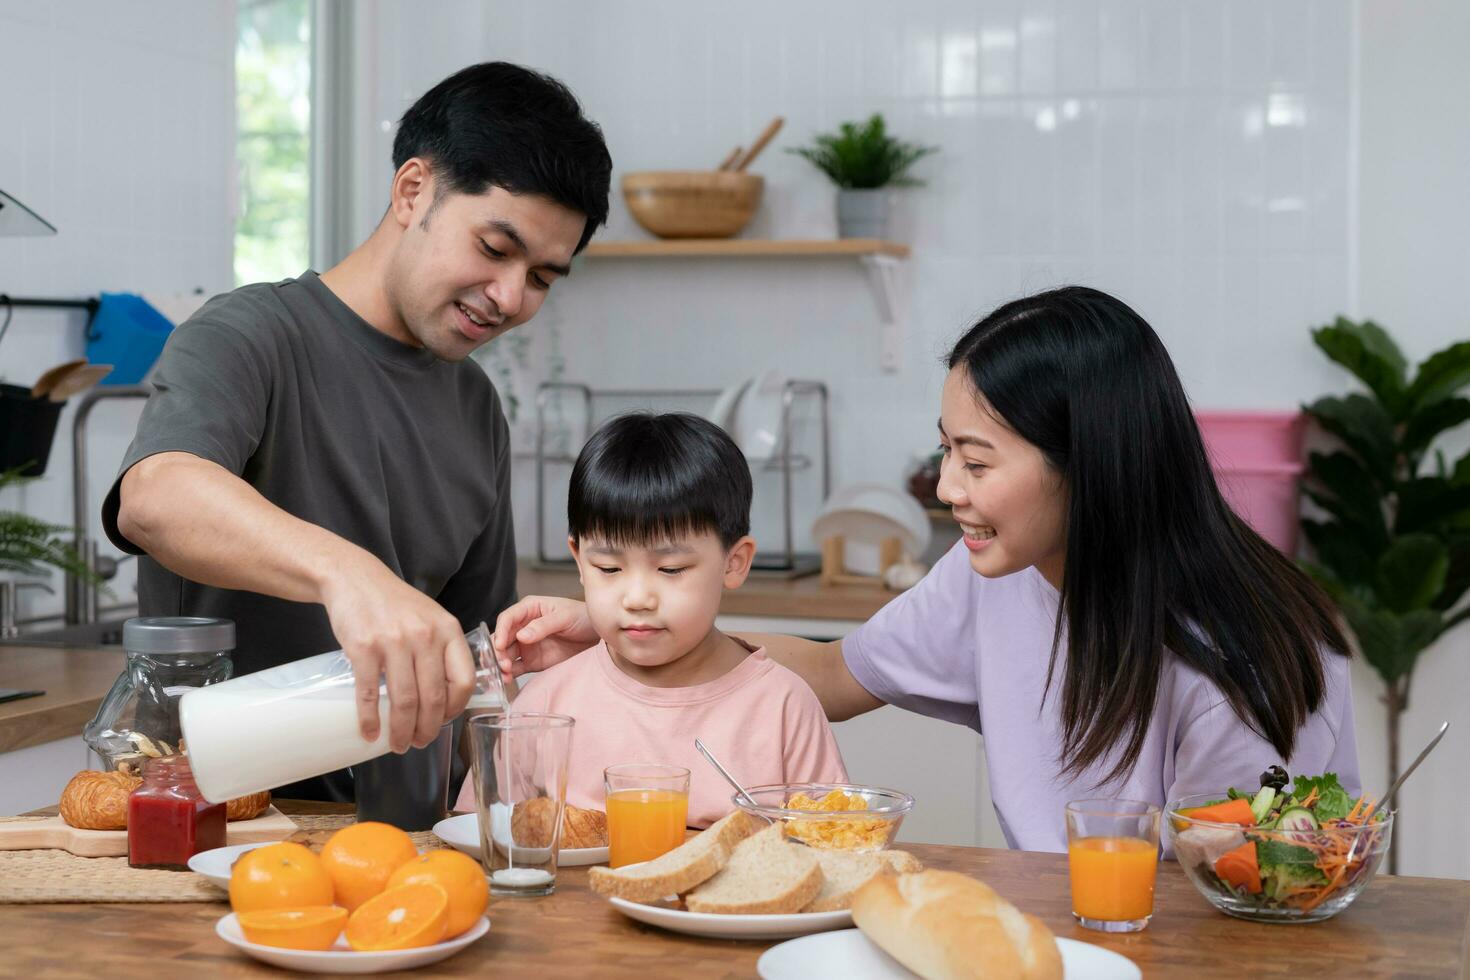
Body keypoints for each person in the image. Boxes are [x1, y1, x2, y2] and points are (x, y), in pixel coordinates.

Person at [488, 286, 1361, 851]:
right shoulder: (996, 575)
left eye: (978, 464)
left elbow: (1248, 891)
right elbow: (835, 669)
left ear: (1091, 465)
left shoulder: (1240, 661)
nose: (946, 489)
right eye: (945, 452)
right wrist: (617, 627)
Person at [102, 62, 612, 801]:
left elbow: (479, 661)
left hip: (408, 844)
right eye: (495, 249)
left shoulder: (475, 405)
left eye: (540, 278)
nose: (509, 296)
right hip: (227, 829)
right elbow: (155, 498)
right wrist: (351, 576)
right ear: (413, 191)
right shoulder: (248, 334)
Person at [456, 412, 847, 826]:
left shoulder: (783, 706)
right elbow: (485, 839)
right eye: (609, 568)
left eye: (671, 569)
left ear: (734, 563)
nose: (637, 598)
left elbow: (833, 851)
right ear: (579, 562)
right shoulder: (545, 706)